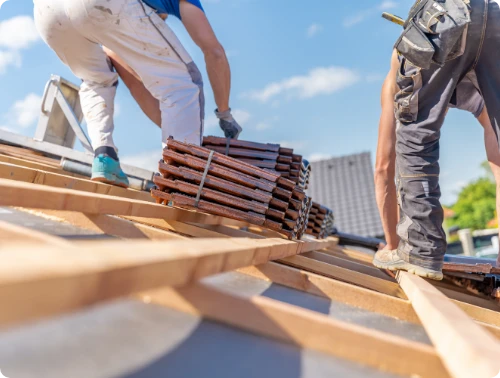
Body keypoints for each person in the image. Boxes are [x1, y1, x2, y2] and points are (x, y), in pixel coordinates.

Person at [34, 0, 241, 188]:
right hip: (98, 5)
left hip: (47, 12)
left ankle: (105, 157)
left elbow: (137, 86)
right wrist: (224, 114)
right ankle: (181, 182)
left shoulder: (117, 33)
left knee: (95, 79)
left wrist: (182, 129)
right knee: (184, 85)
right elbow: (214, 52)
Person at [372, 0, 500, 280]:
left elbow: (384, 165)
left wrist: (392, 247)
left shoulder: (399, 63)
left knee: (414, 130)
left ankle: (420, 249)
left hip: (446, 14)